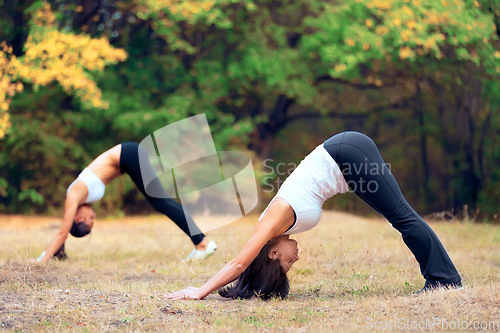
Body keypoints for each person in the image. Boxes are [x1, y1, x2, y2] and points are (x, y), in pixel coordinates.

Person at [166, 131, 462, 300]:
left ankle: (443, 279)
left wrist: (201, 291)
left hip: (346, 155)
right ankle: (443, 278)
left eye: (286, 263)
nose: (295, 259)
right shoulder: (276, 229)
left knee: (401, 215)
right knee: (399, 216)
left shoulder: (270, 224)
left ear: (272, 254)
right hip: (345, 165)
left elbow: (240, 262)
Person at [34, 142, 217, 263]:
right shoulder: (77, 200)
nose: (94, 215)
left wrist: (41, 261)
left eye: (90, 220)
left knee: (161, 202)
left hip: (128, 154)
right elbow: (65, 232)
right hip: (128, 157)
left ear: (79, 219)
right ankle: (202, 241)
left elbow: (62, 233)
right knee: (161, 202)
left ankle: (202, 242)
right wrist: (58, 254)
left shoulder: (73, 197)